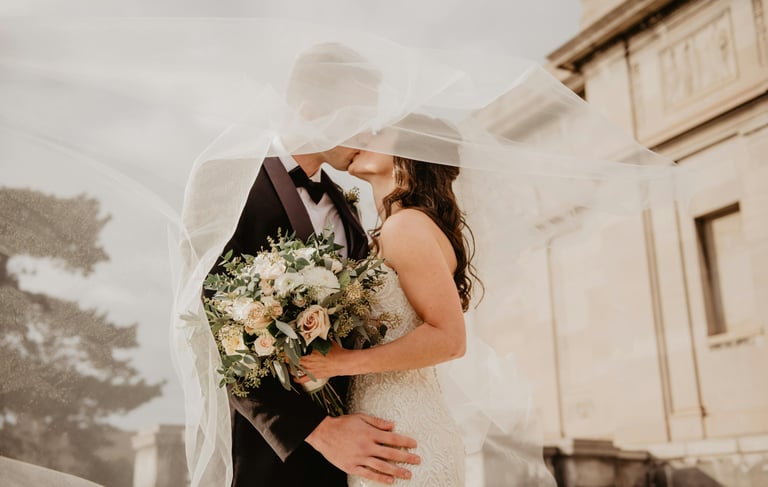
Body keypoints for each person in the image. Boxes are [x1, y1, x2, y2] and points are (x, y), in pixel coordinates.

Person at [212, 44, 420, 487]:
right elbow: (213, 330)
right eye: (358, 118)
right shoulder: (228, 182)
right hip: (274, 456)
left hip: (361, 453)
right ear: (310, 111)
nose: (367, 134)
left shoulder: (349, 211)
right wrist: (318, 432)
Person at [298, 120, 473, 486]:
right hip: (381, 425)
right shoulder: (388, 230)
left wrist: (343, 363)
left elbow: (450, 338)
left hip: (404, 431)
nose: (359, 136)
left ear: (409, 154)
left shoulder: (406, 226)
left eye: (376, 133)